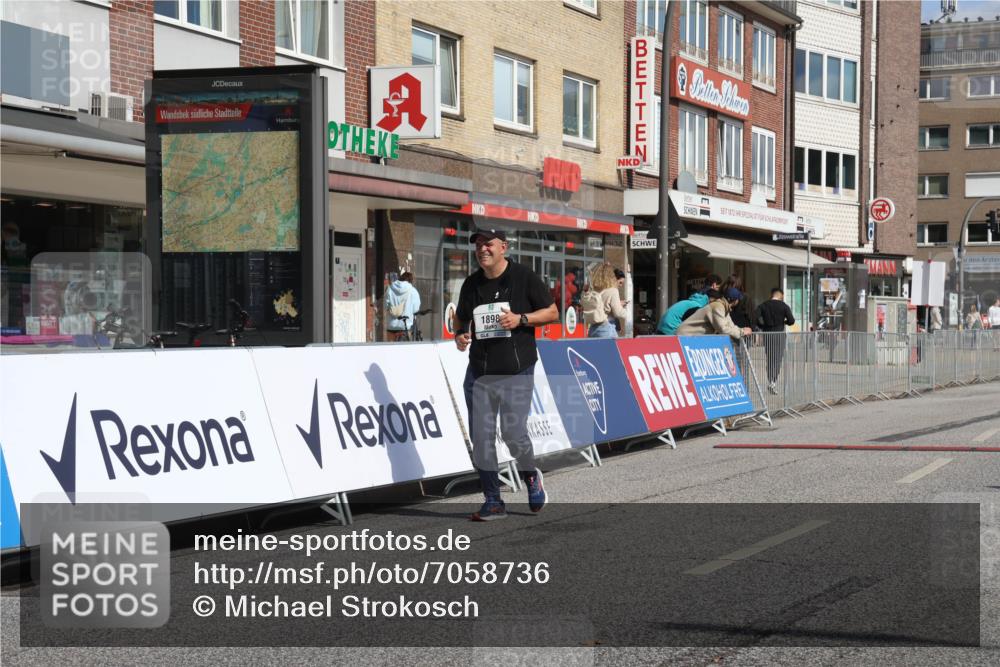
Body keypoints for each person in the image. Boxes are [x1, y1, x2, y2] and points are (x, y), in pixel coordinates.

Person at [453, 229, 559, 521]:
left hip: (516, 369)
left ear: (503, 246)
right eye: (477, 244)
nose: (482, 249)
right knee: (482, 437)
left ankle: (531, 476)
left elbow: (551, 313)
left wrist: (521, 319)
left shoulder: (523, 277)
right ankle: (493, 500)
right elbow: (460, 318)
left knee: (513, 434)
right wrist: (460, 336)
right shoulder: (471, 284)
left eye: (488, 244)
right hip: (480, 372)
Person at [755, 287, 796, 395]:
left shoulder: (763, 305)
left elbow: (754, 317)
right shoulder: (784, 306)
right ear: (781, 296)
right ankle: (773, 381)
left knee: (770, 358)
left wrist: (762, 326)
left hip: (768, 335)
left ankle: (770, 380)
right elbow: (791, 321)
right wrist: (784, 322)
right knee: (777, 359)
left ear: (771, 294)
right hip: (779, 335)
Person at [656, 273, 722, 335]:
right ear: (714, 285)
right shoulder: (697, 307)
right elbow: (692, 327)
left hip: (662, 329)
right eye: (719, 288)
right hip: (669, 332)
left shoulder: (695, 299)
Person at [676, 287, 752, 340]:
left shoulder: (724, 308)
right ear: (734, 300)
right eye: (737, 299)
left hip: (691, 337)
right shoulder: (718, 307)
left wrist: (742, 330)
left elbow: (730, 325)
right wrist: (742, 333)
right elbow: (723, 329)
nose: (738, 301)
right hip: (685, 335)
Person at [582, 263, 629, 338]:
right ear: (612, 277)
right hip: (606, 327)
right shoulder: (613, 291)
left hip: (593, 328)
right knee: (612, 349)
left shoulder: (594, 290)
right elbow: (618, 313)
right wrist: (627, 313)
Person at [385, 272, 421, 341]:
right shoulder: (413, 291)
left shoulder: (390, 289)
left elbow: (386, 306)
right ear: (410, 280)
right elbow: (416, 309)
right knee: (405, 350)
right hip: (406, 326)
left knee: (390, 350)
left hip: (391, 326)